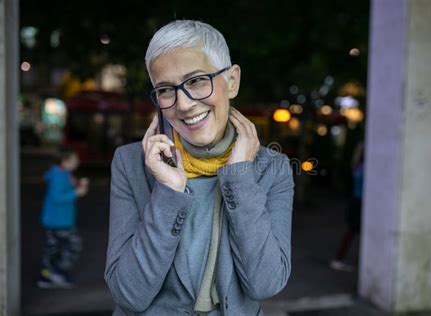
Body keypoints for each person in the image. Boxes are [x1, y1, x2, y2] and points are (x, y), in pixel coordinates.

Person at [105, 20, 294, 315]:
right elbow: (129, 294)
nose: (183, 104)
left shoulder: (274, 169)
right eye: (166, 89)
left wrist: (240, 179)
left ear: (232, 81)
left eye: (196, 81)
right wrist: (169, 190)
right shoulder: (130, 163)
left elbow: (265, 284)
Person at [37, 146, 89, 288]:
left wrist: (76, 186)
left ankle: (48, 275)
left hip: (58, 220)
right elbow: (57, 197)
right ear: (65, 161)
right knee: (72, 245)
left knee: (54, 248)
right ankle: (56, 273)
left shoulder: (62, 173)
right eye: (75, 159)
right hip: (58, 221)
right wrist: (77, 192)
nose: (78, 161)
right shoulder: (59, 175)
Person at [330, 141, 364, 272]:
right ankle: (339, 259)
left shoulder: (356, 166)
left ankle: (340, 259)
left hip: (354, 201)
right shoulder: (363, 168)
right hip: (359, 202)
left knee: (352, 232)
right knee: (353, 232)